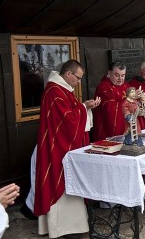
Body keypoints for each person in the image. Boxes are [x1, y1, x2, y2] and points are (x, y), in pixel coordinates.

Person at [34, 60, 101, 238]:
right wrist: (84, 107)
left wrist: (84, 107)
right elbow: (66, 121)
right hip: (57, 147)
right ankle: (60, 227)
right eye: (78, 78)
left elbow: (72, 112)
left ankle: (72, 225)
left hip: (63, 146)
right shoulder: (54, 92)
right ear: (68, 74)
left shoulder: (63, 90)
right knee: (60, 179)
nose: (79, 82)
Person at [92, 61, 129, 141]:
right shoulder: (103, 88)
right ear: (109, 73)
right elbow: (110, 109)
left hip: (127, 129)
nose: (120, 79)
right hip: (107, 132)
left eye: (123, 75)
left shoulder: (126, 86)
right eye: (117, 75)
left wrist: (141, 99)